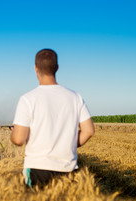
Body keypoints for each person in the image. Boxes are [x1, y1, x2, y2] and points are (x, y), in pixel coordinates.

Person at [11, 49, 95, 188]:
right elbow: (89, 131)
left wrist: (13, 134)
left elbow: (19, 139)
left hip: (37, 168)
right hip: (67, 169)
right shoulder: (75, 97)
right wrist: (67, 143)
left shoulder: (27, 99)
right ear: (57, 67)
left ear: (35, 68)